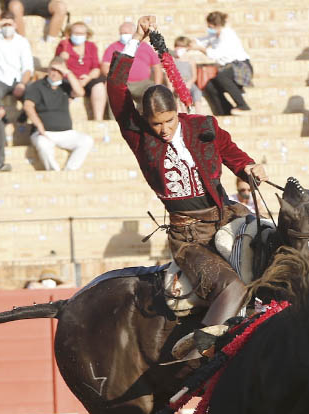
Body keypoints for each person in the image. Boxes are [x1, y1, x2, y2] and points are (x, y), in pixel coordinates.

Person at [107, 15, 267, 337]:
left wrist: (248, 166)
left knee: (277, 243)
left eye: (168, 121)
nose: (163, 130)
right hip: (188, 237)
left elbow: (230, 151)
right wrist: (136, 39)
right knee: (232, 289)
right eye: (156, 124)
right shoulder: (139, 137)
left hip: (229, 215)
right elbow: (115, 86)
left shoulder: (202, 126)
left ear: (176, 113)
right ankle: (200, 351)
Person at [23, 56, 94, 171]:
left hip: (66, 133)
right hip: (44, 133)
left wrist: (68, 72)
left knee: (87, 141)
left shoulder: (65, 85)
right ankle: (54, 172)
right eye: (52, 69)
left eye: (58, 71)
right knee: (42, 144)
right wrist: (39, 125)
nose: (54, 73)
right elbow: (28, 106)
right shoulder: (37, 86)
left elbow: (80, 92)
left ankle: (69, 171)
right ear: (48, 69)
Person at [189, 11, 253, 116]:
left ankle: (242, 105)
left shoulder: (227, 35)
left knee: (221, 76)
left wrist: (200, 48)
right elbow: (203, 40)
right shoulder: (215, 35)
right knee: (209, 85)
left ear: (216, 25)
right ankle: (225, 110)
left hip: (240, 66)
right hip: (228, 68)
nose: (209, 28)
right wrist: (191, 43)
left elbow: (215, 54)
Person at [101, 21, 163, 113]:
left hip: (142, 84)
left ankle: (148, 118)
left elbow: (157, 67)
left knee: (152, 93)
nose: (123, 35)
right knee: (114, 93)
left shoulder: (145, 47)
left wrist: (158, 86)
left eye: (126, 33)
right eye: (121, 33)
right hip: (121, 83)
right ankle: (114, 120)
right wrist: (115, 79)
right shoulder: (113, 47)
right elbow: (105, 66)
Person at [55, 21, 107, 120]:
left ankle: (98, 119)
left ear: (87, 35)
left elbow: (96, 68)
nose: (78, 36)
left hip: (87, 78)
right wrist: (61, 57)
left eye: (81, 33)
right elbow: (56, 64)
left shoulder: (91, 46)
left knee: (99, 86)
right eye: (76, 33)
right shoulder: (64, 45)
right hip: (68, 79)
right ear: (70, 33)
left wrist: (87, 79)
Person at [0, 10, 33, 106]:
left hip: (17, 79)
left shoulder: (22, 41)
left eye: (9, 24)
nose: (7, 27)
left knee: (33, 92)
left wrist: (22, 84)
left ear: (15, 25)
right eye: (5, 25)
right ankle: (1, 118)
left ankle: (25, 116)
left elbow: (28, 67)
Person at [2, 0, 67, 43]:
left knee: (61, 6)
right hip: (18, 2)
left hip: (42, 2)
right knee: (15, 6)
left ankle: (50, 41)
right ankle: (22, 42)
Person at [173, 36, 203, 113]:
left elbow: (194, 76)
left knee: (197, 92)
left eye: (181, 47)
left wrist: (189, 83)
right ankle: (185, 114)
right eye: (177, 46)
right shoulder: (174, 61)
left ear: (187, 48)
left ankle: (199, 114)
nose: (179, 49)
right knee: (181, 93)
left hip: (190, 83)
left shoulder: (190, 61)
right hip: (179, 84)